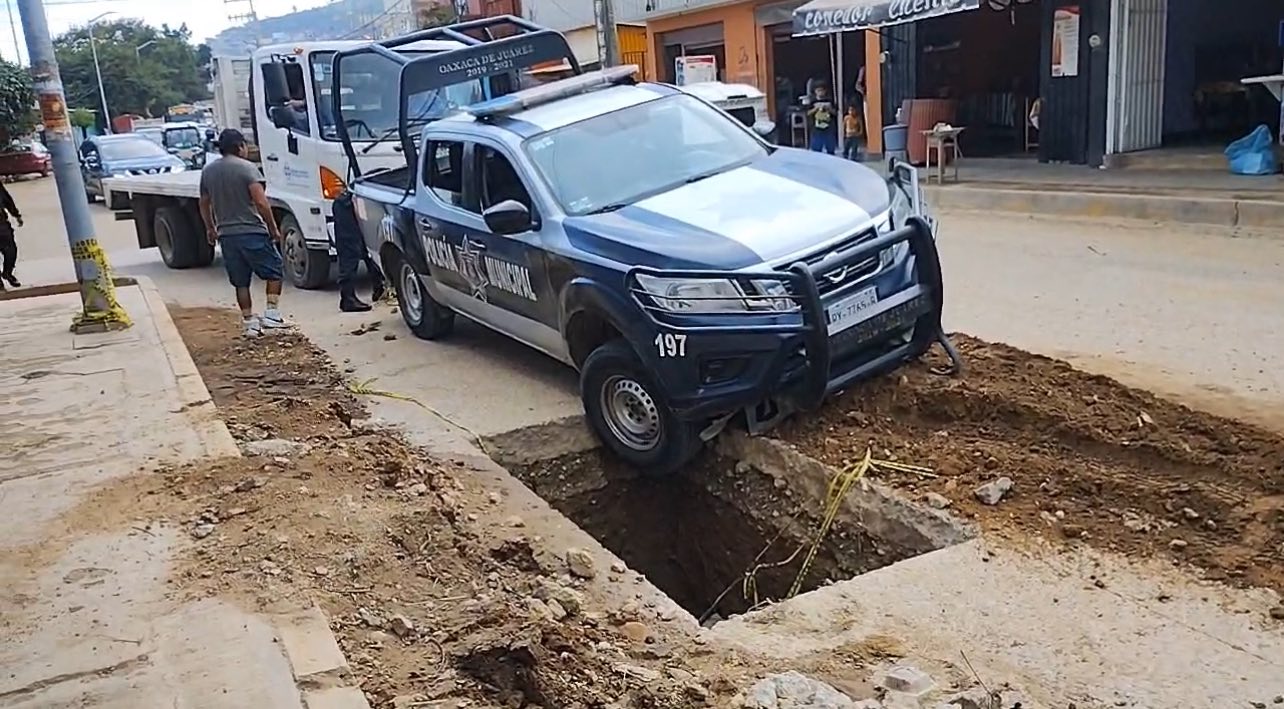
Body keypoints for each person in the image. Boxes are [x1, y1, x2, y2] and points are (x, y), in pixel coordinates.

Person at [198, 129, 289, 337]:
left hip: (227, 235)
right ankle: (272, 314)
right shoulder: (247, 169)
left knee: (240, 281)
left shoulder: (208, 171)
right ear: (239, 146)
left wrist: (210, 228)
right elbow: (261, 202)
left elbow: (204, 203)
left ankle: (249, 323)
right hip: (252, 231)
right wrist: (273, 228)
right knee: (274, 270)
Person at [332, 188, 385, 312]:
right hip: (349, 204)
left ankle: (378, 288)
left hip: (358, 200)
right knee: (350, 251)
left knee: (367, 246)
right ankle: (348, 299)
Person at [0, 181, 23, 290]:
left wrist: (16, 214)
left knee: (11, 251)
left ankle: (7, 272)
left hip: (1, 224)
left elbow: (6, 199)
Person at [806, 84, 838, 155]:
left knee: (830, 149)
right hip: (816, 128)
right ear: (815, 91)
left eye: (822, 90)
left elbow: (836, 113)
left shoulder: (830, 101)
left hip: (829, 128)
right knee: (816, 150)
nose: (820, 92)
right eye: (818, 90)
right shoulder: (812, 102)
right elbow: (808, 113)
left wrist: (829, 108)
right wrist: (816, 108)